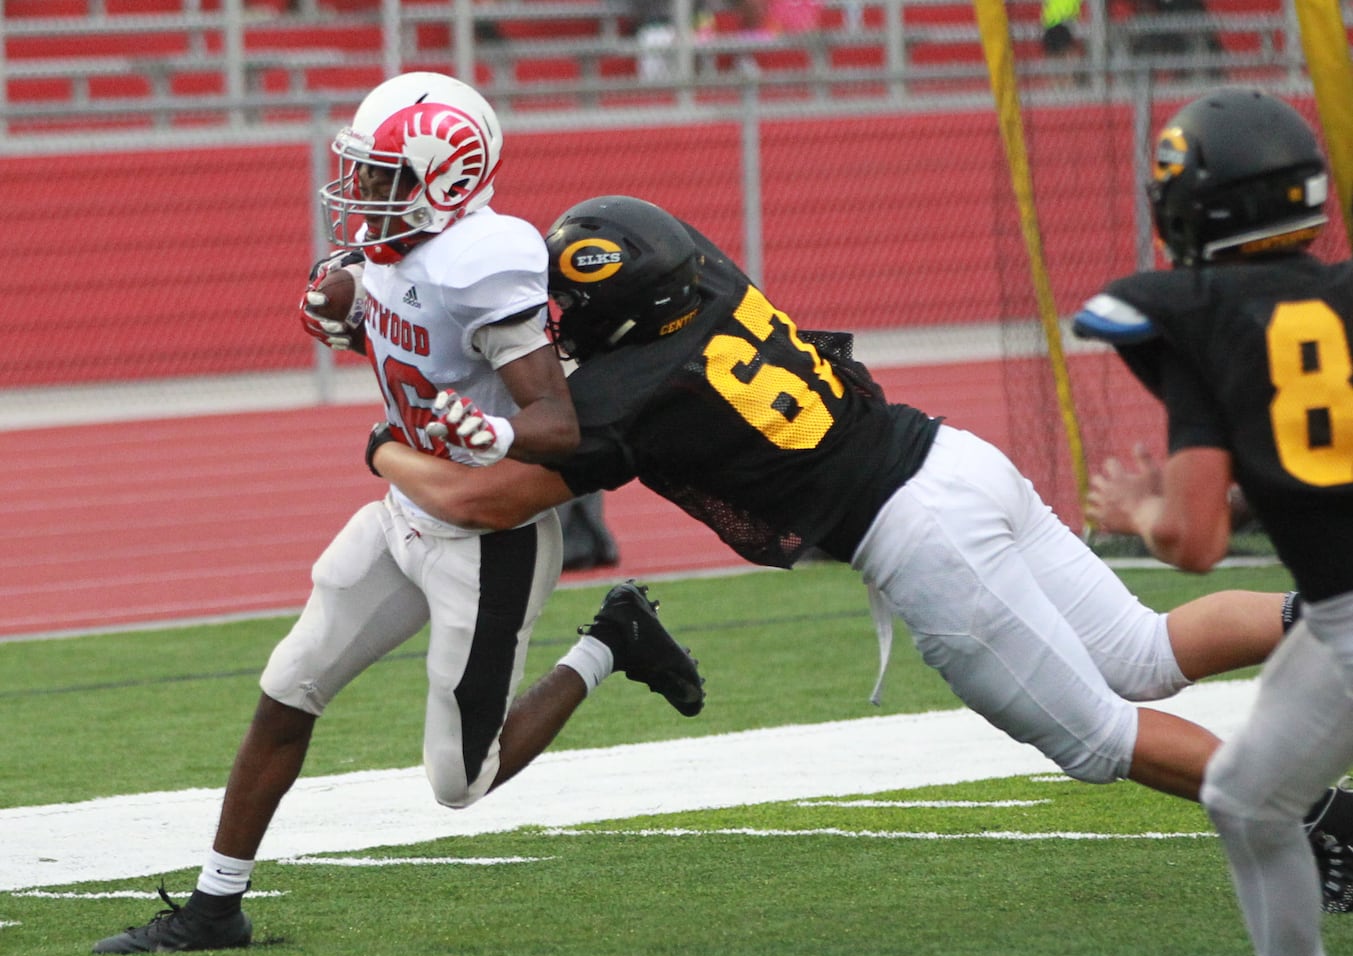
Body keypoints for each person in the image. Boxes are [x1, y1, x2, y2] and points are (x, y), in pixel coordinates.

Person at [366, 192, 1353, 905]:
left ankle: (1315, 823)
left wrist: (386, 449)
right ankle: (1333, 614)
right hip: (959, 459)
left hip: (916, 535)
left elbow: (483, 497)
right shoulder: (710, 285)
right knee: (1141, 650)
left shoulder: (628, 396)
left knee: (1098, 737)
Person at [92, 74, 703, 955]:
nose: (362, 195)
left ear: (444, 179)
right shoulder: (399, 248)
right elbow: (405, 333)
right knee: (286, 686)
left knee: (461, 781)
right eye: (364, 173)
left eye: (383, 177)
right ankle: (214, 906)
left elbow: (555, 424)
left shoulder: (482, 259)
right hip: (403, 509)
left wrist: (489, 427)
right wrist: (352, 320)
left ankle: (612, 639)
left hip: (484, 538)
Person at [1075, 87, 1353, 956]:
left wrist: (1139, 513)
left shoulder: (1198, 313)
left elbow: (1190, 542)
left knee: (1245, 802)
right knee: (1242, 795)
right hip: (1334, 614)